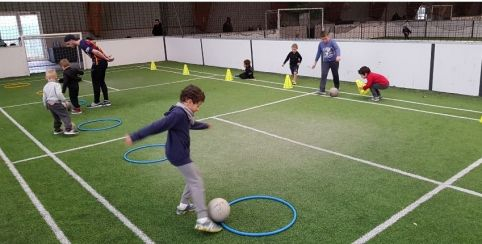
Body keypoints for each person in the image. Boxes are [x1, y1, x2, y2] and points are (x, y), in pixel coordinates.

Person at [125, 84, 222, 233]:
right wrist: (135, 136)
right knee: (196, 181)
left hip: (178, 152)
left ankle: (183, 206)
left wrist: (204, 126)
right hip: (178, 154)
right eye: (198, 105)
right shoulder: (178, 114)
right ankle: (202, 220)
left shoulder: (184, 114)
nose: (198, 108)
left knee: (194, 177)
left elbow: (190, 124)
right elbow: (157, 126)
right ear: (188, 101)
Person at [64, 34, 114, 108]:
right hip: (102, 62)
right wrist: (105, 57)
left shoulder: (82, 44)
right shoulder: (84, 41)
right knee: (101, 81)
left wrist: (106, 58)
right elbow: (97, 48)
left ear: (71, 40)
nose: (68, 46)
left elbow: (96, 52)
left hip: (98, 63)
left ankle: (96, 102)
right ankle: (106, 101)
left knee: (96, 83)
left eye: (68, 44)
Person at [42, 69, 78, 135]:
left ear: (46, 78)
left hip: (49, 104)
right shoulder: (56, 85)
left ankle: (57, 129)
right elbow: (59, 94)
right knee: (65, 115)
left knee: (56, 117)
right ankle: (68, 129)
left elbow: (44, 97)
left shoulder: (45, 86)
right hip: (56, 103)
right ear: (56, 77)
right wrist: (64, 100)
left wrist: (45, 105)